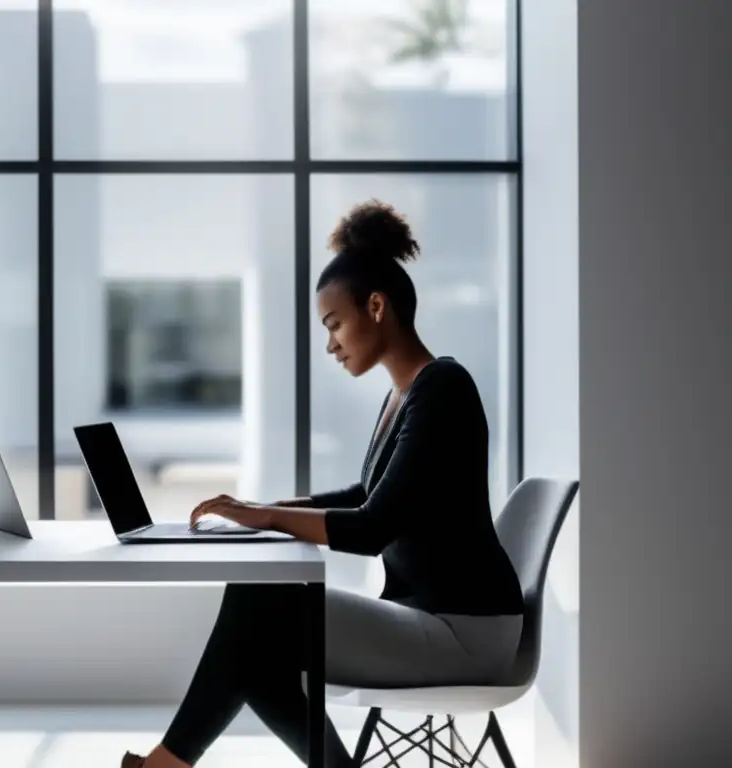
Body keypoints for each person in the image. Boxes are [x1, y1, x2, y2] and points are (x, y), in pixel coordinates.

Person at [121, 199, 525, 768]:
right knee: (257, 638)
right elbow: (368, 495)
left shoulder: (443, 389)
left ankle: (169, 764)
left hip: (465, 632)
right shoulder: (405, 395)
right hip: (436, 618)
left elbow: (372, 527)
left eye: (334, 324)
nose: (330, 343)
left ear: (377, 306)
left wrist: (265, 517)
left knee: (256, 614)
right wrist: (272, 507)